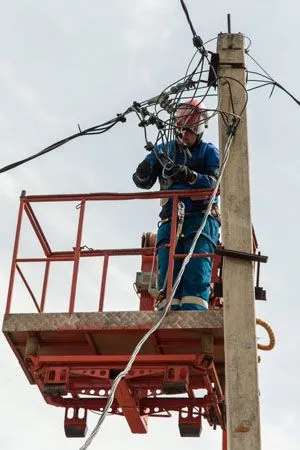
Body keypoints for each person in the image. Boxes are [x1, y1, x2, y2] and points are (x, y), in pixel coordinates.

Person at [133, 99, 220, 311]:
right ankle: (168, 310)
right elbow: (142, 181)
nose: (185, 135)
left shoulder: (209, 153)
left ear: (199, 130)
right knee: (168, 272)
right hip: (170, 219)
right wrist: (142, 173)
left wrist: (191, 176)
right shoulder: (164, 151)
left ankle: (194, 312)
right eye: (181, 130)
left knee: (196, 270)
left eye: (190, 131)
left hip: (200, 219)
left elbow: (217, 184)